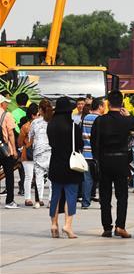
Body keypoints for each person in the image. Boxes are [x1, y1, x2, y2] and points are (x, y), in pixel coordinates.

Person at [91, 90, 134, 237]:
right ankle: (120, 226)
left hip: (104, 161)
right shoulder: (126, 120)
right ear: (121, 103)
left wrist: (97, 158)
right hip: (121, 161)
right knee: (122, 196)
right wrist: (129, 116)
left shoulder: (100, 120)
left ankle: (107, 227)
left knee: (105, 197)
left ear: (107, 103)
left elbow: (93, 140)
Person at [46, 97, 83, 238]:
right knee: (70, 195)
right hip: (71, 165)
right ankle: (67, 225)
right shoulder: (73, 127)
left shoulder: (51, 125)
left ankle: (54, 224)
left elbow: (51, 143)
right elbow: (80, 145)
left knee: (55, 195)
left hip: (55, 163)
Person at [27, 100, 53, 209]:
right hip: (51, 151)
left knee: (38, 176)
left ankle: (38, 200)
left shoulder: (35, 122)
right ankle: (51, 200)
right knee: (52, 178)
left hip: (38, 152)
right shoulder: (53, 121)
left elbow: (30, 136)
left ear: (40, 110)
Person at [80, 98, 103, 208]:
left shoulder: (85, 119)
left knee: (87, 179)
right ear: (99, 107)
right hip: (98, 155)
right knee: (102, 179)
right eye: (103, 106)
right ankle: (103, 202)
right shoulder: (101, 120)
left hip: (86, 153)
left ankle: (85, 203)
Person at [17, 105, 39, 206]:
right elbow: (20, 142)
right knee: (30, 176)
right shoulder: (26, 127)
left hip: (30, 153)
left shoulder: (25, 126)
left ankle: (30, 199)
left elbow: (20, 142)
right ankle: (28, 198)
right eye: (38, 114)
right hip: (30, 154)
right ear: (33, 115)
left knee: (30, 177)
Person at [0, 95, 18, 208]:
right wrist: (14, 149)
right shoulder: (7, 115)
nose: (7, 105)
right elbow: (11, 133)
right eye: (6, 103)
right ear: (2, 104)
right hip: (5, 150)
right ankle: (9, 201)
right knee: (9, 175)